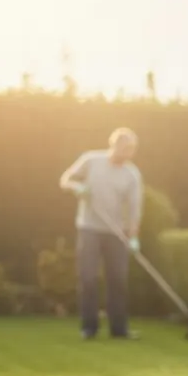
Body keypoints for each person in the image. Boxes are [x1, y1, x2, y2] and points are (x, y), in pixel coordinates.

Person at [59, 127, 144, 340]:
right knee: (88, 277)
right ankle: (89, 328)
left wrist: (133, 237)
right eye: (124, 148)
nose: (126, 154)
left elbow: (134, 210)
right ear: (113, 145)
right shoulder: (91, 160)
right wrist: (77, 188)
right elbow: (65, 179)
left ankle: (119, 329)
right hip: (89, 228)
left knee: (118, 279)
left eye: (131, 150)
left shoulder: (131, 175)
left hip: (116, 232)